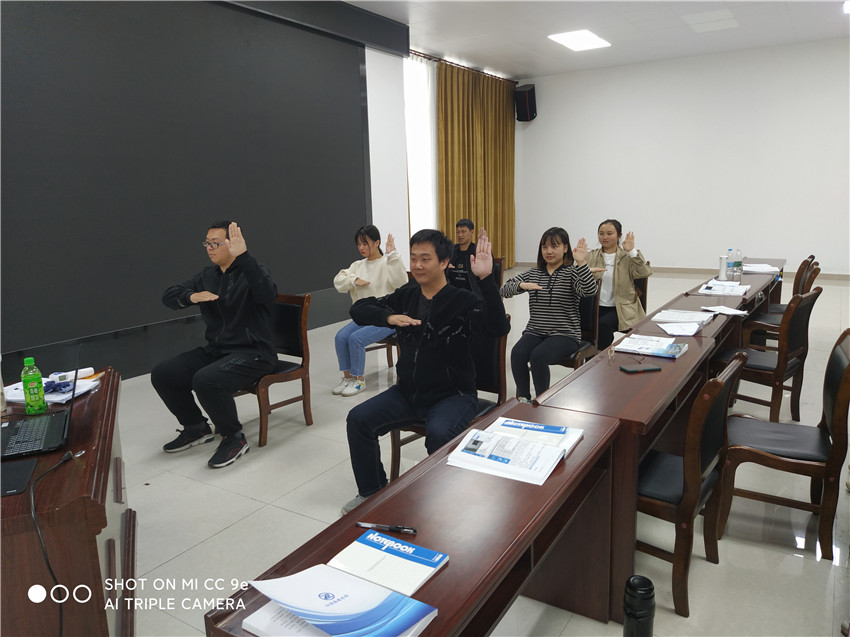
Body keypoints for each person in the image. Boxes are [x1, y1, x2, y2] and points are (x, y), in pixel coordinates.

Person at [341, 229, 510, 515]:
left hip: (453, 395)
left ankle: (444, 504)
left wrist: (486, 279)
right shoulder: (406, 295)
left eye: (425, 259)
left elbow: (498, 327)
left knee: (439, 434)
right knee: (358, 419)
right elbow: (359, 309)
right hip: (408, 393)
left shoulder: (462, 300)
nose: (417, 265)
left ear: (444, 262)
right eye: (414, 258)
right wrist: (388, 316)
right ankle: (372, 492)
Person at [151, 221, 278, 468]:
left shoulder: (252, 270)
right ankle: (196, 427)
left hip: (255, 352)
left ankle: (234, 438)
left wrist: (245, 257)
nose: (210, 248)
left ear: (232, 245)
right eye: (207, 243)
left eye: (216, 244)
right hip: (218, 350)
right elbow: (169, 295)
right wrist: (191, 296)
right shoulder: (207, 275)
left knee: (206, 380)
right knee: (163, 373)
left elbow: (267, 293)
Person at [500, 227, 597, 402]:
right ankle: (523, 399)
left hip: (565, 334)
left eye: (554, 246)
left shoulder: (572, 273)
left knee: (538, 356)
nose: (549, 251)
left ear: (565, 248)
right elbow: (503, 290)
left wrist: (581, 263)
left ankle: (542, 402)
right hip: (535, 331)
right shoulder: (534, 273)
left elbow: (590, 291)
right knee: (517, 353)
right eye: (545, 247)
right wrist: (521, 286)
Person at [332, 225, 409, 396]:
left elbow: (401, 282)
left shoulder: (387, 263)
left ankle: (359, 380)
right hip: (365, 317)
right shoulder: (357, 265)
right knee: (340, 337)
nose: (361, 248)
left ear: (377, 243)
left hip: (386, 318)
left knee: (356, 339)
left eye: (365, 243)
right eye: (359, 244)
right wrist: (354, 280)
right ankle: (348, 378)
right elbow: (338, 280)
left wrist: (393, 255)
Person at [586, 219, 653, 350]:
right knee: (583, 325)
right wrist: (580, 263)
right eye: (601, 233)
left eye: (609, 233)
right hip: (595, 307)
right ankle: (592, 358)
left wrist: (632, 251)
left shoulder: (627, 256)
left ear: (619, 235)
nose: (604, 237)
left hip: (621, 308)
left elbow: (644, 272)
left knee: (602, 325)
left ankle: (600, 357)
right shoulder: (592, 256)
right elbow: (576, 277)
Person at [448, 218, 477, 291]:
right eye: (457, 232)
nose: (460, 235)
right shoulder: (451, 251)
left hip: (472, 292)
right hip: (452, 291)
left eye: (463, 231)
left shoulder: (478, 252)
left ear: (472, 232)